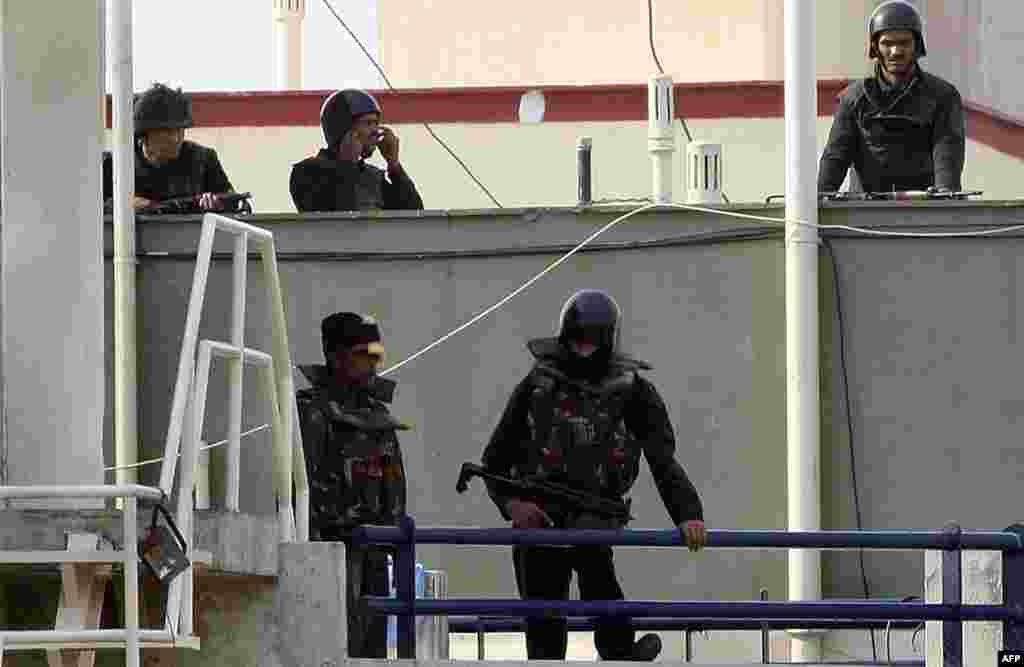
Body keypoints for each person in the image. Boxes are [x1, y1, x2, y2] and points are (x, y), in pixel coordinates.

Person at [479, 289, 707, 661]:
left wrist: (688, 514)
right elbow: (495, 459)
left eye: (593, 342)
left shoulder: (632, 392)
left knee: (600, 582)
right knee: (544, 618)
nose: (584, 350)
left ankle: (619, 652)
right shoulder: (538, 385)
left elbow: (662, 458)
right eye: (577, 340)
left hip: (596, 514)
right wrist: (513, 504)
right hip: (539, 517)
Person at [296, 312, 408, 658]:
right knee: (332, 646)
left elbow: (395, 481)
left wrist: (394, 535)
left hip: (374, 547)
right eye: (363, 355)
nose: (373, 364)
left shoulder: (376, 413)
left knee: (371, 648)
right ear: (335, 356)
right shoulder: (312, 411)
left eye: (376, 355)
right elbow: (300, 488)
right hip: (330, 550)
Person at [818, 0, 966, 195]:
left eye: (904, 43)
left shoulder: (943, 96)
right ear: (875, 47)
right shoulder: (853, 98)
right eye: (887, 43)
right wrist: (817, 202)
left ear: (917, 45)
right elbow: (836, 156)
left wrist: (946, 197)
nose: (895, 51)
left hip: (924, 212)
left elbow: (948, 154)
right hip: (864, 214)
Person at [103, 83, 239, 213]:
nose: (175, 139)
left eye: (179, 131)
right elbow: (90, 208)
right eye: (167, 132)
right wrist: (119, 205)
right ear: (143, 135)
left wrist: (218, 206)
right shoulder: (115, 164)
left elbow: (235, 204)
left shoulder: (203, 159)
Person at [289, 89, 424, 212]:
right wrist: (348, 164)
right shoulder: (307, 172)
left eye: (376, 123)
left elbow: (414, 215)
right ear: (344, 131)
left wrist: (394, 165)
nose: (376, 131)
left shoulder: (372, 176)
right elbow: (336, 220)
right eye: (368, 123)